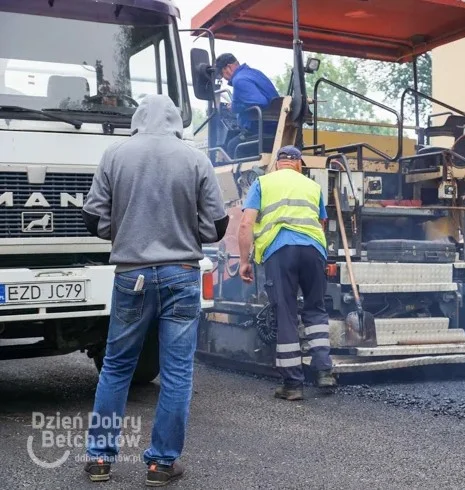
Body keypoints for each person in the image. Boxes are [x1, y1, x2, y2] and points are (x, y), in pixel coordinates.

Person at [81, 94, 229, 485]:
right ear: (177, 121)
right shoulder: (195, 157)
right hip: (182, 274)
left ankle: (99, 459)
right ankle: (161, 464)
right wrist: (186, 231)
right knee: (177, 373)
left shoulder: (116, 153)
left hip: (132, 275)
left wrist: (124, 230)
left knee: (116, 367)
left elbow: (92, 217)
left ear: (137, 118)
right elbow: (216, 226)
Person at [237, 145, 335, 401]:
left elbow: (246, 222)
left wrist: (244, 261)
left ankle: (293, 384)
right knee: (316, 308)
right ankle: (324, 371)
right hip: (313, 250)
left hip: (280, 251)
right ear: (299, 164)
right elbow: (321, 222)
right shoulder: (313, 187)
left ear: (278, 163)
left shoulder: (263, 183)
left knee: (287, 314)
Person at [215, 53, 280, 159]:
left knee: (232, 146)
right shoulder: (254, 73)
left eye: (222, 74)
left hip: (262, 130)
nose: (224, 79)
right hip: (274, 127)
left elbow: (260, 102)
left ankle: (242, 175)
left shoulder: (239, 80)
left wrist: (234, 107)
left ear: (228, 67)